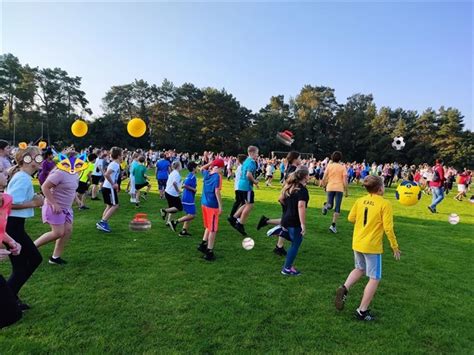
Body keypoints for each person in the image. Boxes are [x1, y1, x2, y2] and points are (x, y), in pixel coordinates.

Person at [334, 175, 401, 321]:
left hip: (358, 242)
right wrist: (394, 247)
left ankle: (344, 287)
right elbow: (388, 228)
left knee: (359, 268)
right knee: (374, 278)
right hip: (372, 246)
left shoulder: (360, 200)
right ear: (380, 188)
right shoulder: (385, 204)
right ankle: (362, 311)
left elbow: (351, 218)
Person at [5, 146, 45, 310]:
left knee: (26, 264)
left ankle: (10, 297)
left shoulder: (23, 176)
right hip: (12, 226)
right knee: (26, 264)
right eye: (38, 156)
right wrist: (35, 203)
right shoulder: (23, 178)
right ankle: (7, 300)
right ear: (28, 159)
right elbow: (9, 204)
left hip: (15, 226)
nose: (41, 158)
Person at [34, 151, 80, 265]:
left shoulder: (75, 173)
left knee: (67, 231)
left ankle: (55, 258)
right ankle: (29, 249)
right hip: (54, 206)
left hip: (66, 208)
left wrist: (77, 199)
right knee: (58, 233)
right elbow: (45, 187)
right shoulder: (59, 173)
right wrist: (54, 203)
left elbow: (72, 189)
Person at [280, 166, 310, 276]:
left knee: (294, 239)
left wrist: (287, 210)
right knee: (296, 243)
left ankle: (281, 231)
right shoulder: (302, 190)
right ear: (306, 176)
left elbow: (281, 199)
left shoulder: (291, 186)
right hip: (294, 220)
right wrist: (303, 224)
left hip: (287, 218)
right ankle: (286, 268)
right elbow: (301, 206)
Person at [0, 192, 23, 328]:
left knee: (12, 313)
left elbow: (1, 230)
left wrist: (12, 242)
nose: (6, 172)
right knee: (10, 313)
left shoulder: (6, 199)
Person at [229, 146, 259, 236]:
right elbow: (248, 175)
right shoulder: (251, 162)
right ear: (252, 153)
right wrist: (255, 181)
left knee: (246, 204)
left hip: (241, 185)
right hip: (247, 186)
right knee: (250, 205)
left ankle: (234, 218)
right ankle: (240, 224)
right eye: (257, 153)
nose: (257, 155)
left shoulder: (245, 161)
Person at [197, 159, 224, 261]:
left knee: (208, 225)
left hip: (204, 203)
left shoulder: (208, 174)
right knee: (213, 229)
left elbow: (201, 168)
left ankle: (203, 244)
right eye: (222, 168)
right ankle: (209, 251)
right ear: (220, 168)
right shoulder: (218, 177)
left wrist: (211, 163)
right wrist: (220, 206)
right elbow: (217, 191)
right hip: (212, 205)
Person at [96, 147, 123, 233]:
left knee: (109, 205)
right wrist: (113, 184)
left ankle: (102, 222)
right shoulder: (115, 164)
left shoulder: (114, 164)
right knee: (115, 205)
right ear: (118, 156)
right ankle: (103, 222)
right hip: (109, 187)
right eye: (122, 155)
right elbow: (106, 174)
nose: (123, 157)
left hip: (107, 187)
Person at [321, 151, 348, 234]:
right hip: (339, 188)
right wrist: (346, 190)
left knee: (330, 205)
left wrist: (323, 184)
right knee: (337, 207)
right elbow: (345, 180)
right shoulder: (342, 167)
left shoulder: (329, 166)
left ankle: (326, 206)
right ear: (340, 158)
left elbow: (324, 177)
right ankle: (333, 225)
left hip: (330, 186)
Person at [168, 162, 197, 236]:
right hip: (188, 198)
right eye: (197, 167)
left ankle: (184, 231)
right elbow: (184, 185)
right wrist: (193, 189)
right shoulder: (191, 177)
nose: (198, 168)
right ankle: (175, 222)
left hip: (186, 197)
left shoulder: (190, 175)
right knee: (192, 215)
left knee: (188, 214)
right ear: (194, 168)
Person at [228, 154, 247, 222]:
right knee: (243, 202)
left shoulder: (240, 167)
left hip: (238, 187)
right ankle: (234, 216)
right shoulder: (242, 167)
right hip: (240, 187)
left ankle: (234, 216)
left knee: (240, 202)